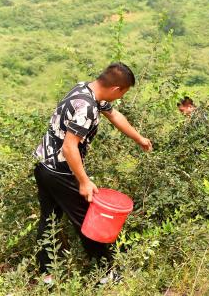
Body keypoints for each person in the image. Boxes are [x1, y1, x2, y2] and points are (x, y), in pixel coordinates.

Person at [33, 62, 152, 284]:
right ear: (117, 89)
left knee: (49, 220)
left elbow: (115, 116)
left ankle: (46, 275)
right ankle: (106, 274)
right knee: (89, 220)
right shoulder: (87, 107)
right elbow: (69, 147)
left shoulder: (85, 89)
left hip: (43, 165)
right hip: (60, 171)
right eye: (123, 93)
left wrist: (139, 138)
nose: (121, 97)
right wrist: (84, 181)